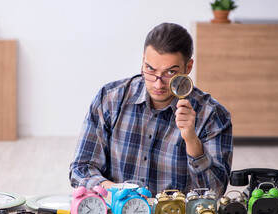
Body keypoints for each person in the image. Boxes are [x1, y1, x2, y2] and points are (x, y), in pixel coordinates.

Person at [69, 22, 232, 198]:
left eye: (170, 72)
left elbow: (215, 191)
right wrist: (115, 190)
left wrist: (192, 141)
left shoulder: (213, 115)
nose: (158, 83)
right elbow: (81, 168)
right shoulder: (109, 99)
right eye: (150, 69)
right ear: (142, 61)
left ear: (188, 68)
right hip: (117, 213)